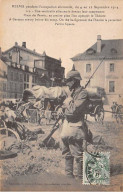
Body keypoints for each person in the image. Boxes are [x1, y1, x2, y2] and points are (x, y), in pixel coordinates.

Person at [60, 67, 91, 180]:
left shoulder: (83, 94)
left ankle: (80, 179)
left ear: (74, 80)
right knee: (66, 153)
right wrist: (64, 107)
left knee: (78, 155)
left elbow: (73, 111)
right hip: (67, 126)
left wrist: (67, 102)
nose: (67, 83)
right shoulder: (72, 93)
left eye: (68, 81)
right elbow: (64, 109)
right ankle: (69, 178)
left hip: (75, 126)